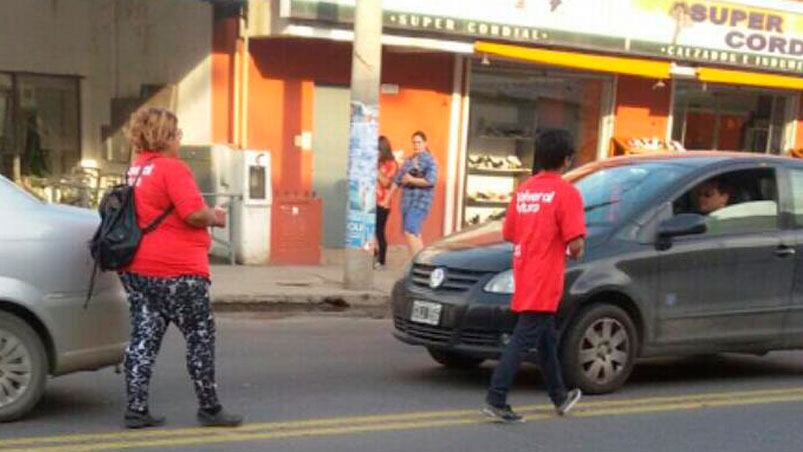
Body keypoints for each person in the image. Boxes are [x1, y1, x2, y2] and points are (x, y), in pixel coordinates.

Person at [119, 107, 242, 429]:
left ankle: (136, 408)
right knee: (200, 337)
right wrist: (215, 215)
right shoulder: (172, 169)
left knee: (144, 338)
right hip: (178, 272)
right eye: (177, 134)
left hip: (139, 269)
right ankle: (209, 408)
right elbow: (192, 214)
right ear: (166, 137)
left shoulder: (136, 168)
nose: (180, 139)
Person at [483, 129, 586, 423]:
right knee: (523, 337)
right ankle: (496, 397)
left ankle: (560, 396)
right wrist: (574, 249)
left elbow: (509, 232)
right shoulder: (567, 193)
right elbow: (576, 244)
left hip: (524, 270)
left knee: (545, 338)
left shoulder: (525, 189)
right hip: (546, 275)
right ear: (566, 160)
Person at [384, 131, 438, 256]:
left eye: (419, 142)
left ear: (425, 143)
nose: (416, 145)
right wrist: (387, 199)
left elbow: (431, 181)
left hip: (420, 203)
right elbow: (397, 180)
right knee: (413, 233)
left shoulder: (430, 160)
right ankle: (421, 260)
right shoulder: (409, 161)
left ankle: (418, 261)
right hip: (407, 203)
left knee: (410, 230)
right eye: (414, 142)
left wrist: (411, 180)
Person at [374, 136, 398, 270]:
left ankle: (382, 260)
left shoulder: (391, 164)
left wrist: (376, 172)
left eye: (378, 149)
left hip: (383, 203)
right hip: (370, 200)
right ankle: (375, 254)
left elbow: (387, 183)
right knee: (368, 232)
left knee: (379, 231)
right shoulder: (375, 162)